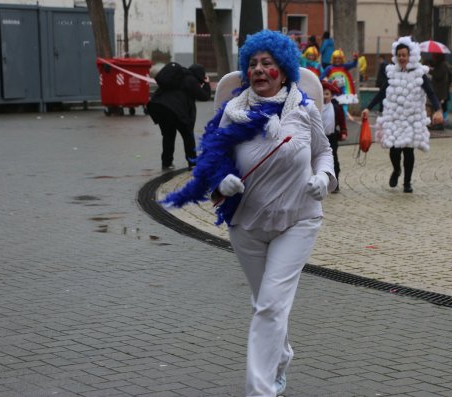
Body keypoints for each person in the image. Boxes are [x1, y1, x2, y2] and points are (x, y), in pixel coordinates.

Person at [162, 29, 337, 396]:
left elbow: (323, 151)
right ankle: (281, 355)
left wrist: (324, 176)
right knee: (266, 305)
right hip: (247, 225)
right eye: (253, 64)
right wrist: (221, 181)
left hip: (299, 220)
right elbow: (212, 159)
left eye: (267, 63)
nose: (259, 70)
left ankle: (260, 390)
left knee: (270, 306)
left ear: (284, 70)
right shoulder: (233, 112)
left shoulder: (304, 110)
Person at [361, 36, 443, 193]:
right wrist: (368, 108)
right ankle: (396, 170)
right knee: (394, 150)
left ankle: (407, 182)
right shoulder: (392, 73)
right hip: (394, 117)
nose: (401, 58)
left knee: (408, 150)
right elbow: (382, 92)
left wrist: (438, 109)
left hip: (412, 118)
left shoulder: (420, 74)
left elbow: (431, 93)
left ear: (410, 55)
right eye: (399, 55)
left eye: (404, 55)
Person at [147, 62, 211, 170]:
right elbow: (204, 96)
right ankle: (193, 163)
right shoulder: (191, 80)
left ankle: (166, 163)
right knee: (188, 137)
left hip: (160, 107)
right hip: (175, 111)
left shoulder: (176, 77)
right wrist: (207, 83)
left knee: (168, 136)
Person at [320, 49, 358, 121]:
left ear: (342, 59)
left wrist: (355, 59)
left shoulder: (344, 66)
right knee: (333, 109)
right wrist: (328, 81)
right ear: (333, 59)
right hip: (333, 92)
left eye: (339, 58)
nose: (337, 60)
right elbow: (321, 77)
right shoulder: (329, 68)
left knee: (344, 108)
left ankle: (342, 123)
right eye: (335, 58)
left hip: (343, 92)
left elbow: (354, 64)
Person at [428, 53, 451, 123]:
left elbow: (438, 75)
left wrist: (429, 70)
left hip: (440, 91)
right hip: (441, 91)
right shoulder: (440, 65)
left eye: (434, 56)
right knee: (441, 107)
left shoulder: (442, 65)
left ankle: (443, 121)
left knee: (441, 107)